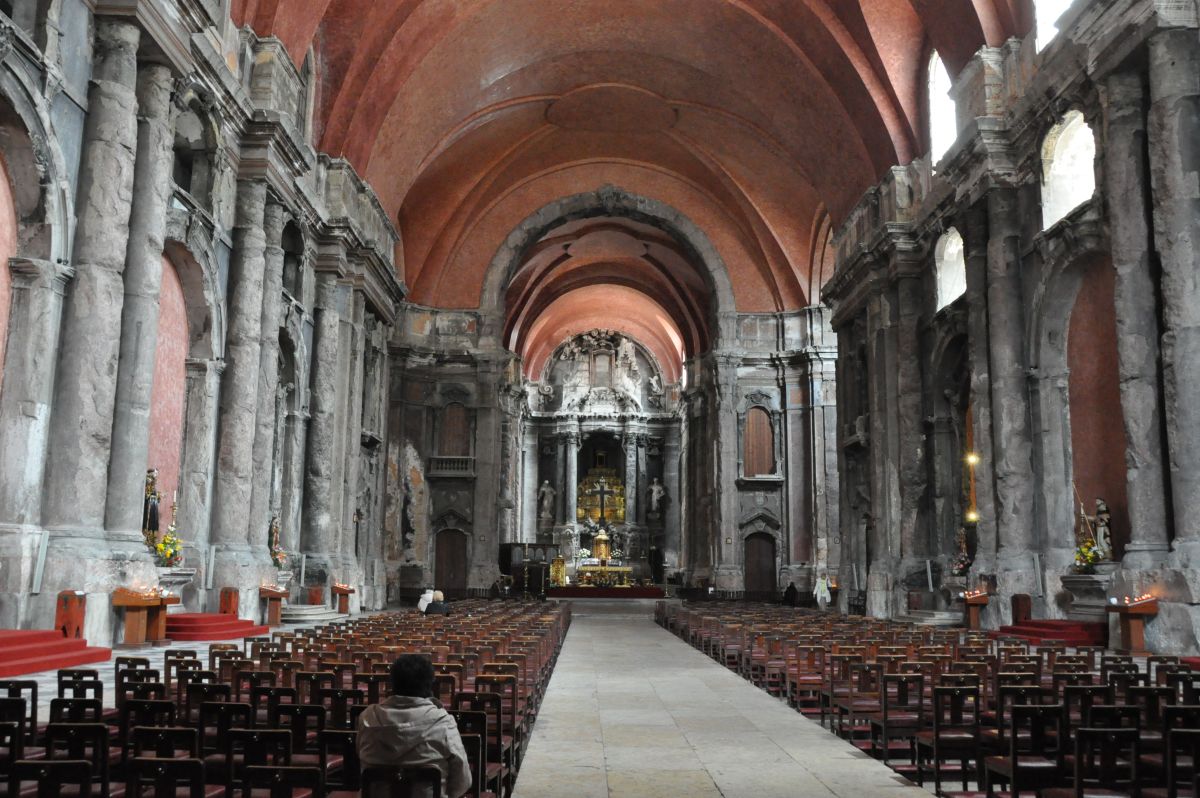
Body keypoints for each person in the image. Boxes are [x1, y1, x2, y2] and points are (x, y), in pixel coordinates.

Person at [357, 654, 472, 798]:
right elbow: (463, 781)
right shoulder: (443, 723)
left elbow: (360, 762)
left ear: (393, 683)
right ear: (429, 684)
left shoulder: (367, 718)